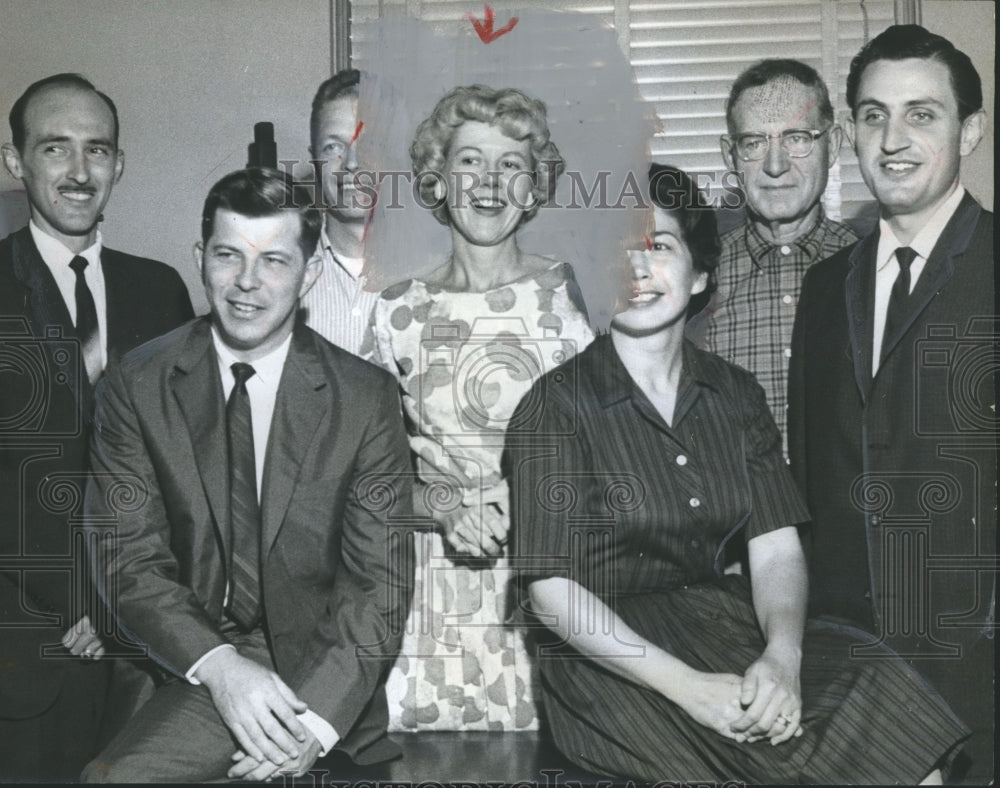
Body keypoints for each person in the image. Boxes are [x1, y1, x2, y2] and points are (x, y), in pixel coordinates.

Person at [507, 163, 971, 784]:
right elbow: (551, 594)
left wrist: (783, 657)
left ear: (700, 275)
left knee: (883, 692)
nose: (637, 270)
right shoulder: (554, 407)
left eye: (659, 246)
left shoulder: (735, 394)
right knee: (789, 753)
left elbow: (776, 548)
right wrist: (692, 690)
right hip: (612, 657)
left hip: (720, 622)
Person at [80, 168, 414, 782]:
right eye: (228, 255)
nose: (247, 284)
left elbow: (378, 587)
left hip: (323, 676)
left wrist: (310, 727)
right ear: (199, 256)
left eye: (275, 261)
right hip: (197, 663)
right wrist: (221, 667)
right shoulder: (137, 384)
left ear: (309, 273)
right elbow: (125, 559)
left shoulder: (365, 398)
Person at [788, 25, 995, 783]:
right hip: (850, 678)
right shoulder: (822, 289)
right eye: (873, 116)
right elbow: (810, 484)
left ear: (970, 130)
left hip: (978, 679)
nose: (894, 139)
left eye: (922, 114)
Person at [364, 85, 594, 731]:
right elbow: (367, 480)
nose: (489, 182)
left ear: (534, 185)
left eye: (511, 163)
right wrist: (444, 508)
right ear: (437, 179)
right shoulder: (395, 312)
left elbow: (609, 461)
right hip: (427, 596)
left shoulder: (574, 300)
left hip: (549, 582)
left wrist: (527, 503)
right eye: (469, 161)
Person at [0, 73, 193, 780]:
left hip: (149, 653)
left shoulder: (162, 289)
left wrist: (126, 609)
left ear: (120, 164)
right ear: (16, 162)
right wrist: (81, 600)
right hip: (26, 652)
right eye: (56, 149)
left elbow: (188, 470)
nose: (80, 172)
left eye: (98, 150)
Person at [687, 59, 857, 453]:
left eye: (797, 138)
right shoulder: (693, 282)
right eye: (754, 143)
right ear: (731, 156)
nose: (775, 165)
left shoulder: (874, 269)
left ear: (831, 146)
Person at [300, 69, 379, 356]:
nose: (352, 163)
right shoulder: (285, 275)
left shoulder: (438, 273)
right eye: (334, 147)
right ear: (314, 159)